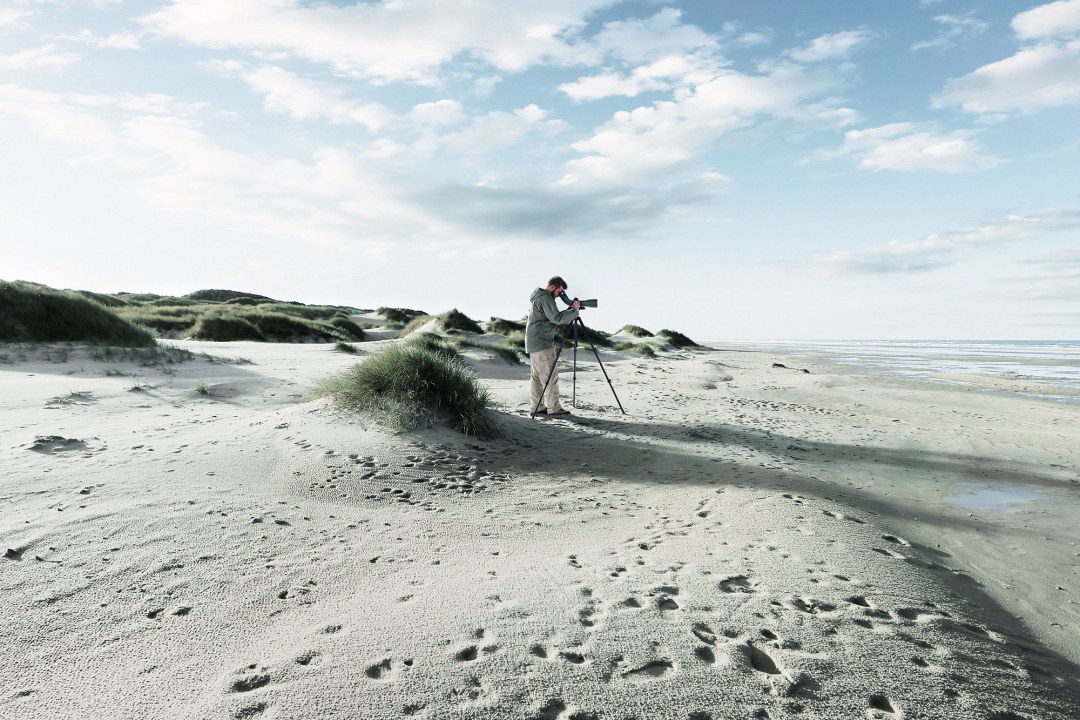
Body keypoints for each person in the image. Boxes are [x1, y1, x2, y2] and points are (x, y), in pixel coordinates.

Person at [525, 276, 580, 416]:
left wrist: (569, 311)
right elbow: (556, 319)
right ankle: (554, 408)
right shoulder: (546, 298)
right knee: (550, 376)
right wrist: (574, 311)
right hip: (543, 343)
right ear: (551, 287)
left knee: (537, 377)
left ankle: (537, 407)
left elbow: (552, 316)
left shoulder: (538, 297)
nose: (560, 295)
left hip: (534, 342)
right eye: (559, 292)